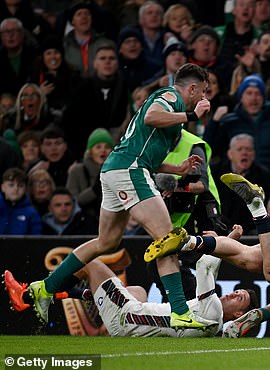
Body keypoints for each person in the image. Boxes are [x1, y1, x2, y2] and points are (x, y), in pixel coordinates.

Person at [25, 63, 211, 330]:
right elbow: (151, 117)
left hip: (117, 169)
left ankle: (45, 288)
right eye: (203, 92)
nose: (205, 98)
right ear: (191, 88)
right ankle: (180, 312)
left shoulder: (174, 118)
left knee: (106, 242)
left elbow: (147, 156)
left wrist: (177, 169)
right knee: (168, 239)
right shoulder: (170, 97)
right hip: (128, 171)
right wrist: (191, 114)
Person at [4, 238, 258, 337]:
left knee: (89, 263)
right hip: (135, 317)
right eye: (239, 291)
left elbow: (205, 265)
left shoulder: (213, 310)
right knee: (137, 290)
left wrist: (224, 241)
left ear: (236, 314)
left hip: (126, 318)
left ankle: (33, 294)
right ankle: (70, 293)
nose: (234, 292)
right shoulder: (212, 327)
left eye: (240, 298)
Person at [205, 74, 270, 193]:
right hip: (235, 186)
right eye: (249, 93)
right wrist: (214, 121)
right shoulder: (230, 121)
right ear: (241, 97)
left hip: (268, 184)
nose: (254, 98)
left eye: (258, 93)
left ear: (264, 97)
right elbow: (210, 150)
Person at [211, 133, 270, 235]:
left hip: (252, 230)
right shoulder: (215, 172)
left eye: (248, 150)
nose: (244, 153)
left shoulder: (264, 175)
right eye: (239, 149)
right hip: (220, 228)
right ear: (230, 154)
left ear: (254, 154)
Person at [65, 128, 114, 220]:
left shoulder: (116, 172)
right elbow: (72, 202)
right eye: (98, 147)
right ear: (90, 151)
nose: (103, 150)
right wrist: (94, 190)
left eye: (107, 147)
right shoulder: (77, 170)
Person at [62, 1, 114, 77]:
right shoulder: (64, 46)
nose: (84, 17)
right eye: (79, 14)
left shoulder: (106, 44)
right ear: (72, 21)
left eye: (87, 13)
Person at [0, 167, 42, 235]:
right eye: (11, 185)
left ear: (25, 189)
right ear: (2, 187)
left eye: (20, 186)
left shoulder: (32, 213)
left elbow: (36, 240)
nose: (16, 189)